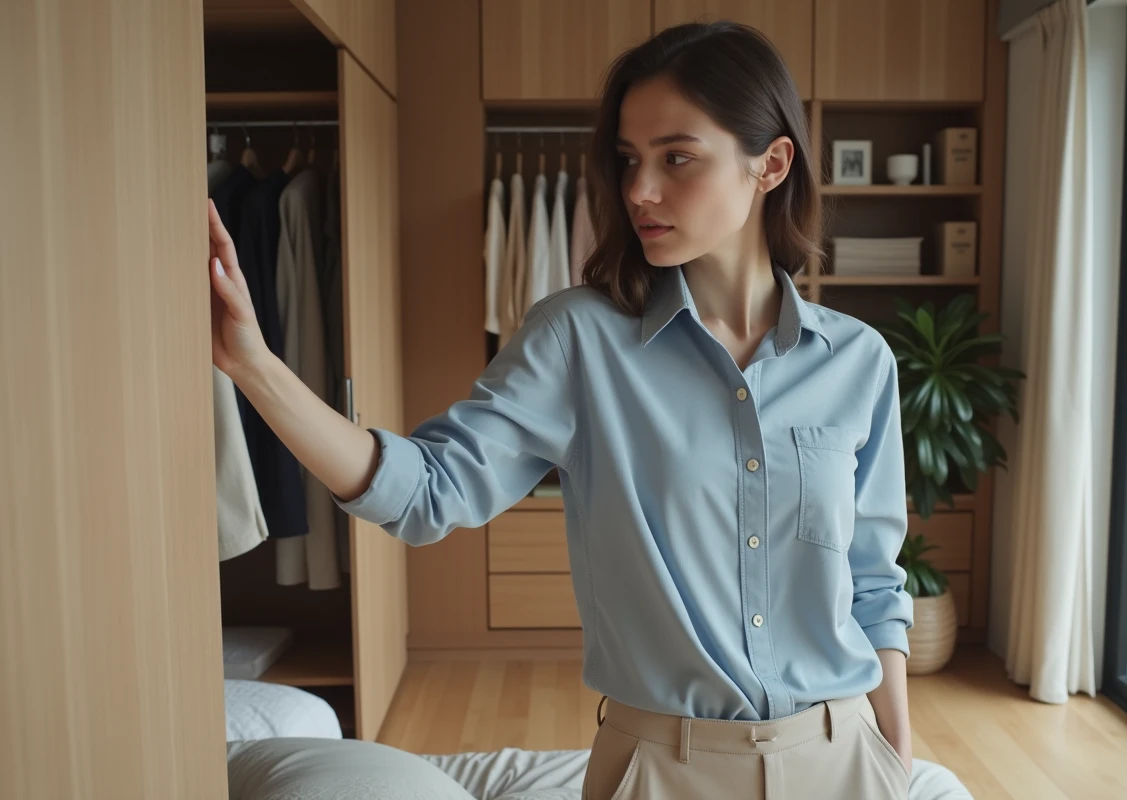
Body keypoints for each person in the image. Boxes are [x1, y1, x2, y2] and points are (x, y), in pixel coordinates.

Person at [207, 21, 913, 800]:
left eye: (676, 158)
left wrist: (896, 760)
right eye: (628, 160)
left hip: (844, 758)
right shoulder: (577, 340)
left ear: (770, 164)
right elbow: (429, 492)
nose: (640, 190)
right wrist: (255, 366)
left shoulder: (858, 361)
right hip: (661, 768)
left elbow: (873, 583)